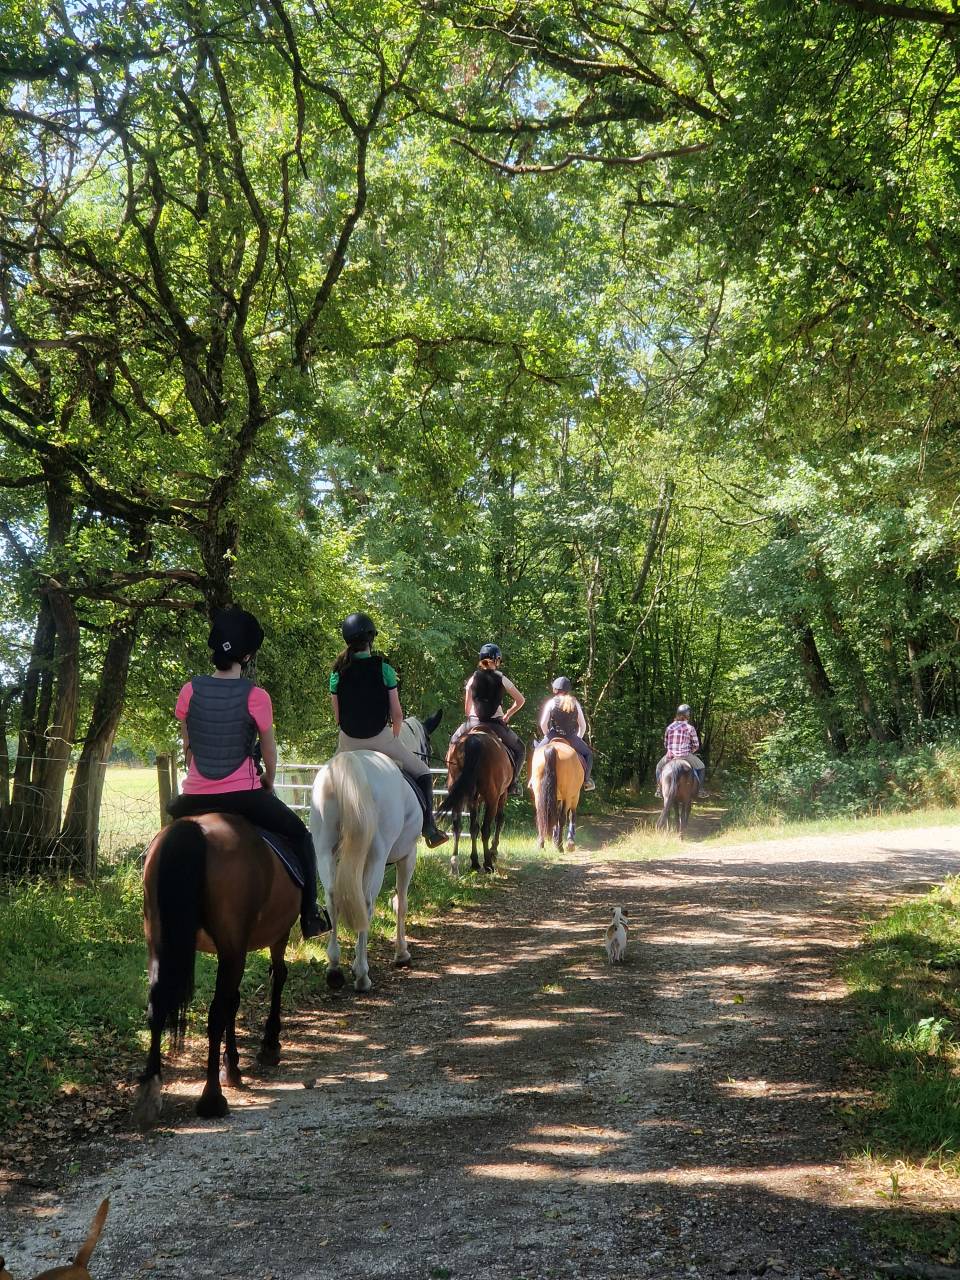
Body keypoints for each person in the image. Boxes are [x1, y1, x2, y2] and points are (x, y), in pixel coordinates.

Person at [168, 607, 329, 939]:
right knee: (301, 836)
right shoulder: (257, 697)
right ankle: (310, 915)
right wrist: (268, 779)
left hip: (194, 794)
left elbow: (188, 745)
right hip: (243, 795)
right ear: (248, 655)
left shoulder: (188, 691)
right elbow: (269, 753)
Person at [330, 612, 448, 848]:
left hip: (347, 742)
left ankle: (326, 831)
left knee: (329, 780)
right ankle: (430, 828)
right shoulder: (384, 669)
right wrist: (394, 736)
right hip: (380, 738)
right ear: (371, 639)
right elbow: (397, 715)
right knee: (423, 772)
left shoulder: (336, 672)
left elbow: (337, 717)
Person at [448, 643, 526, 791]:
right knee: (520, 749)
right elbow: (521, 700)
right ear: (496, 660)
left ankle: (452, 777)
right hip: (496, 724)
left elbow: (466, 708)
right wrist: (508, 714)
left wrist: (472, 717)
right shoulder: (502, 678)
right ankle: (513, 783)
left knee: (453, 742)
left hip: (473, 722)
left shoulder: (472, 679)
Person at [537, 676, 595, 791]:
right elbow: (583, 725)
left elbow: (543, 723)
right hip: (571, 737)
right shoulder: (575, 703)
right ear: (568, 689)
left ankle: (533, 780)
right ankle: (587, 781)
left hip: (553, 735)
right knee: (588, 754)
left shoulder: (551, 703)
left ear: (555, 689)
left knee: (537, 751)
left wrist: (547, 735)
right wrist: (578, 738)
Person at [655, 703, 706, 796]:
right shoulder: (690, 728)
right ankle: (701, 790)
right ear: (687, 716)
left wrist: (671, 750)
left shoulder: (669, 727)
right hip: (685, 756)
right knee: (702, 767)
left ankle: (658, 789)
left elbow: (665, 744)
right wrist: (690, 751)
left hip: (670, 756)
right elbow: (696, 745)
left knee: (658, 767)